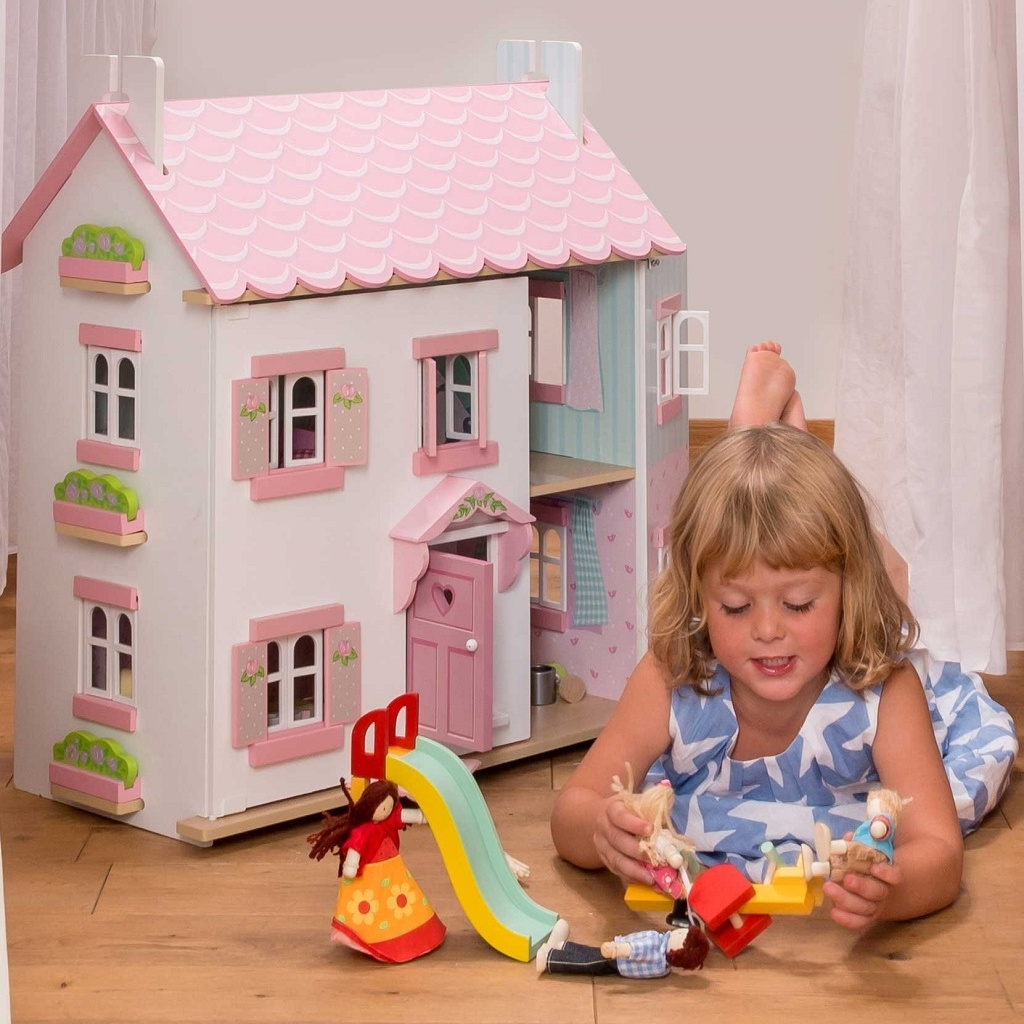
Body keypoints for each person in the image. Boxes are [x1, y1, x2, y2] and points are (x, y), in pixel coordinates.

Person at [551, 343, 1017, 931]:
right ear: (698, 597)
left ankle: (776, 443)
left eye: (798, 604)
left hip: (899, 684)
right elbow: (573, 809)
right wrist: (602, 832)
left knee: (972, 770)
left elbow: (939, 853)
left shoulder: (887, 690)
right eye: (735, 606)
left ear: (845, 591)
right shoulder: (673, 674)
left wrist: (892, 895)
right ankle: (770, 444)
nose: (768, 631)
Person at [307, 778, 447, 962]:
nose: (386, 811)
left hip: (392, 870)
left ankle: (412, 936)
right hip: (370, 875)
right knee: (370, 905)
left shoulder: (388, 822)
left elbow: (402, 816)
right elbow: (355, 848)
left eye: (388, 807)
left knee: (399, 901)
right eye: (382, 808)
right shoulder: (363, 831)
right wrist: (350, 866)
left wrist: (423, 816)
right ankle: (371, 938)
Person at [536, 922, 710, 978]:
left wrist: (618, 949)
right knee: (591, 953)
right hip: (619, 955)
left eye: (680, 934)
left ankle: (550, 960)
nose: (676, 931)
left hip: (619, 960)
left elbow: (636, 949)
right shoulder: (664, 965)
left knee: (588, 963)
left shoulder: (656, 949)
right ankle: (561, 947)